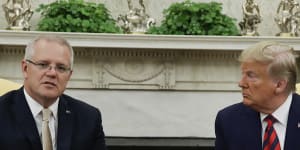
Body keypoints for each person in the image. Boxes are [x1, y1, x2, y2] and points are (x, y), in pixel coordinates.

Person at [0, 35, 106, 150]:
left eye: (61, 68)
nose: (52, 73)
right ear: (25, 69)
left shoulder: (88, 118)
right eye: (43, 65)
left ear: (69, 76)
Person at [215, 41, 300, 150]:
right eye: (243, 74)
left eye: (251, 76)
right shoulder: (228, 120)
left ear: (279, 85)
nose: (241, 83)